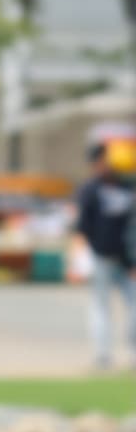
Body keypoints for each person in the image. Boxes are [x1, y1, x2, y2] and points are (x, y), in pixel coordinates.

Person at [74, 139, 135, 369]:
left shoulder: (128, 186)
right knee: (100, 307)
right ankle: (103, 354)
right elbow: (82, 228)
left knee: (134, 305)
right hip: (101, 257)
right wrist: (79, 262)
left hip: (128, 259)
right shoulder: (91, 189)